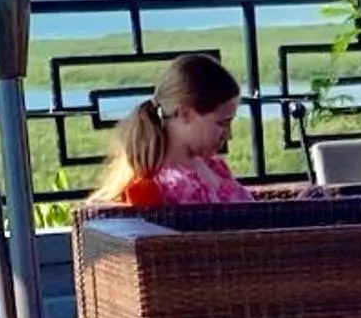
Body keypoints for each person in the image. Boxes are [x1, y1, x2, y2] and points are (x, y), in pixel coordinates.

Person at [84, 52, 255, 208]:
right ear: (186, 113)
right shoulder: (159, 188)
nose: (228, 135)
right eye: (222, 123)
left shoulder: (213, 166)